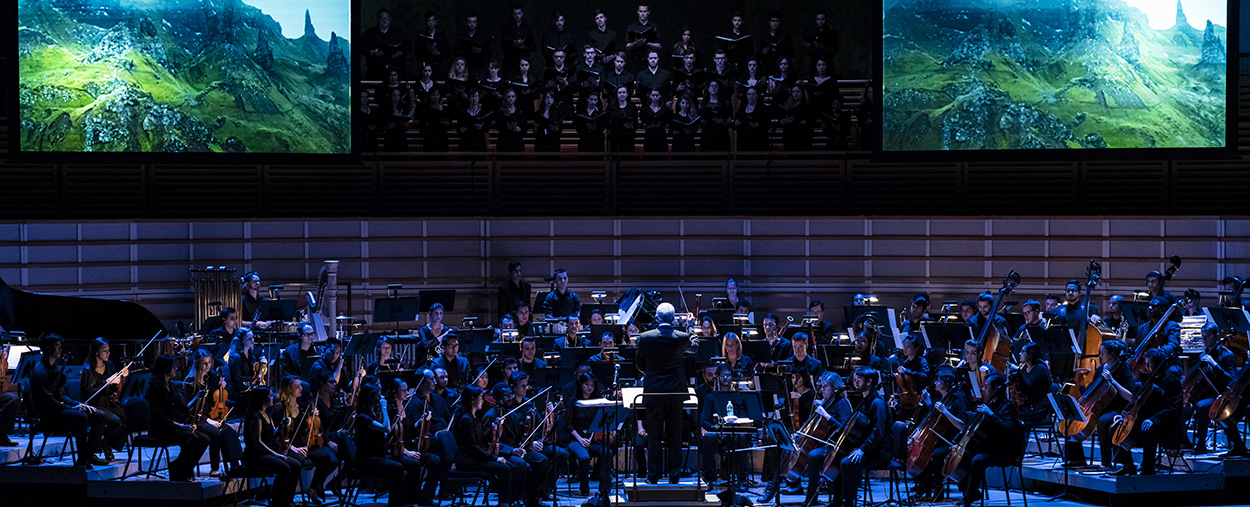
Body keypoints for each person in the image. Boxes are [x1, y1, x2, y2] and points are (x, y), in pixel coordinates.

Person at [941, 374, 1021, 506]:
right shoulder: (989, 404)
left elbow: (1008, 429)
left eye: (987, 386)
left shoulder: (1007, 407)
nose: (984, 389)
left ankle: (969, 497)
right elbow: (971, 428)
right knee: (963, 457)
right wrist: (957, 442)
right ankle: (971, 492)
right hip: (989, 446)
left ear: (995, 388)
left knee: (977, 460)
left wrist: (991, 414)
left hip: (1002, 450)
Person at [33, 334, 112, 467]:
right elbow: (49, 401)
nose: (60, 349)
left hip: (60, 408)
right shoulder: (41, 372)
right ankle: (82, 460)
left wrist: (77, 403)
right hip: (51, 414)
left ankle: (90, 454)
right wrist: (72, 408)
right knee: (80, 417)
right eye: (57, 346)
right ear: (48, 348)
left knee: (99, 415)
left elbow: (61, 396)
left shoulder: (53, 368)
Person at [636, 302, 690, 483]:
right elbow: (695, 347)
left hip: (653, 393)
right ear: (674, 319)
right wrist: (691, 332)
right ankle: (674, 476)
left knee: (654, 437)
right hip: (675, 394)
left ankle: (653, 476)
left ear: (656, 318)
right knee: (675, 437)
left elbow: (639, 363)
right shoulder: (681, 337)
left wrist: (651, 374)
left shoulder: (645, 337)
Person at [1106, 348, 1181, 476]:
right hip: (1145, 419)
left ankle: (1148, 466)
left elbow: (1172, 407)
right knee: (1115, 428)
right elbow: (1137, 401)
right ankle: (1128, 465)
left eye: (1149, 364)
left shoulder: (1172, 381)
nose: (1146, 367)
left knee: (1148, 429)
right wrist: (1125, 414)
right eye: (1145, 363)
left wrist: (1154, 419)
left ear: (1158, 364)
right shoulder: (1147, 380)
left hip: (1165, 423)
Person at [1065, 340, 1135, 468]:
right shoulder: (1101, 369)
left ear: (1112, 355)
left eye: (1102, 353)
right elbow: (1093, 389)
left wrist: (1112, 381)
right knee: (1074, 415)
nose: (1100, 356)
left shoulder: (1124, 370)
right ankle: (1077, 460)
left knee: (1103, 421)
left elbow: (1130, 397)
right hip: (1099, 406)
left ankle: (1106, 462)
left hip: (1118, 409)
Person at [271, 376, 339, 505]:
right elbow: (276, 435)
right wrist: (293, 448)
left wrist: (313, 420)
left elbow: (305, 431)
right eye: (297, 386)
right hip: (286, 447)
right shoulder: (280, 408)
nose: (301, 389)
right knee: (299, 462)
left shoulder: (302, 407)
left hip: (302, 446)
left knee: (326, 456)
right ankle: (286, 500)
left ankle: (313, 488)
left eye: (300, 386)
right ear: (288, 389)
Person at [453, 385, 524, 507]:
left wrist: (494, 428)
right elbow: (473, 448)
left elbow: (481, 438)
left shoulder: (473, 417)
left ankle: (509, 501)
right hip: (467, 460)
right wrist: (495, 458)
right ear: (473, 400)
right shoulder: (466, 420)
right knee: (505, 468)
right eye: (480, 398)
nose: (483, 401)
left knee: (510, 466)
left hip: (473, 457)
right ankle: (504, 503)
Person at [832, 367, 892, 507]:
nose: (855, 383)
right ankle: (837, 500)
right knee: (837, 457)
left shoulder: (878, 404)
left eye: (858, 380)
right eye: (854, 380)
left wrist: (862, 449)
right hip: (870, 449)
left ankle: (849, 503)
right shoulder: (866, 400)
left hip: (880, 452)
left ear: (869, 381)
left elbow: (878, 433)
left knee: (847, 463)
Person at [147, 354, 212, 480]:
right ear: (166, 369)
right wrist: (181, 426)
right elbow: (158, 417)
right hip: (160, 427)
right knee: (191, 438)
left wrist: (198, 398)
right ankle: (178, 469)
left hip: (172, 426)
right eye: (173, 367)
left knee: (204, 439)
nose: (176, 369)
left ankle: (182, 468)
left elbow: (183, 407)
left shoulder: (170, 385)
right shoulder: (155, 388)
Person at [914, 371, 970, 500]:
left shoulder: (957, 400)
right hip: (937, 439)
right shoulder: (939, 400)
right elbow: (932, 420)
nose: (935, 383)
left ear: (946, 383)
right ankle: (924, 485)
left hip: (951, 441)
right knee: (917, 452)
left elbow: (962, 425)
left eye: (938, 380)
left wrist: (945, 412)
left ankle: (938, 489)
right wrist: (928, 403)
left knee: (937, 454)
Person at [1189, 323, 1237, 454]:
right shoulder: (1202, 355)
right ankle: (1183, 442)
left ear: (1217, 336)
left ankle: (1200, 444)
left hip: (1221, 395)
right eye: (1202, 336)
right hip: (1204, 393)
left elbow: (1232, 380)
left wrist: (1214, 364)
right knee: (1180, 404)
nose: (1204, 340)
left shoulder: (1227, 355)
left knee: (1202, 406)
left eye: (1207, 337)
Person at [79, 337, 128, 460]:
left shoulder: (109, 365)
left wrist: (123, 378)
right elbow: (89, 395)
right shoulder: (88, 370)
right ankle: (104, 445)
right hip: (95, 405)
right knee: (115, 421)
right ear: (96, 352)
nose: (108, 353)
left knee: (130, 416)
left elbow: (115, 387)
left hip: (109, 403)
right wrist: (106, 382)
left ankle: (108, 444)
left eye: (108, 350)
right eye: (104, 350)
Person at [564, 371, 611, 496]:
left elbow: (599, 422)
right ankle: (584, 489)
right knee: (584, 458)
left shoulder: (596, 402)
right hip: (575, 440)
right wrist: (580, 439)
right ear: (580, 385)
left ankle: (604, 489)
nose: (590, 388)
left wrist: (593, 436)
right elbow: (568, 425)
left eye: (592, 385)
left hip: (591, 439)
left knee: (607, 452)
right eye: (587, 384)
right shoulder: (572, 402)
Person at [183, 349, 226, 476]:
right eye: (204, 363)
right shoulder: (190, 381)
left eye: (209, 362)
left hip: (209, 416)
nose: (208, 366)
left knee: (226, 432)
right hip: (196, 420)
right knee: (216, 434)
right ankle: (215, 469)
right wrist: (209, 420)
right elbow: (188, 409)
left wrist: (221, 389)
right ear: (197, 364)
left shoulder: (211, 378)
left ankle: (232, 466)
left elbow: (216, 401)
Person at [1011, 343, 1054, 428]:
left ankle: (1019, 438)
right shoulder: (1025, 368)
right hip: (1027, 404)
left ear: (1030, 354)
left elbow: (1027, 388)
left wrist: (1018, 372)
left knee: (1010, 414)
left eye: (1023, 352)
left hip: (1038, 408)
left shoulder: (1040, 369)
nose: (1020, 354)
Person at [361, 9, 407, 80]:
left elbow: (407, 48)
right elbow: (361, 47)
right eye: (382, 18)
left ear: (390, 19)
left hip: (395, 70)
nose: (384, 21)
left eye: (386, 18)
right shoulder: (369, 33)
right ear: (378, 19)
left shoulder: (397, 33)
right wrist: (372, 52)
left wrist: (400, 53)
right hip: (375, 70)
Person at [625, 3, 663, 72]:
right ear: (637, 12)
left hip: (650, 61)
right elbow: (627, 46)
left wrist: (647, 43)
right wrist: (636, 43)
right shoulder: (631, 27)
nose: (642, 14)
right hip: (635, 61)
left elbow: (660, 46)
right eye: (641, 11)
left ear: (648, 12)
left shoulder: (654, 27)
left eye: (645, 11)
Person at [501, 4, 536, 73]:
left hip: (524, 62)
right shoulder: (507, 28)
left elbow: (534, 46)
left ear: (522, 14)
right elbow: (503, 45)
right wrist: (513, 45)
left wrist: (524, 46)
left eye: (519, 13)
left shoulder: (528, 28)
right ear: (512, 14)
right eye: (515, 14)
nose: (517, 16)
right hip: (510, 61)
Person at [778, 82, 813, 150]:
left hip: (802, 136)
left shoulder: (807, 106)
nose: (795, 94)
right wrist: (785, 120)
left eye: (798, 92)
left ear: (802, 93)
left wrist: (795, 120)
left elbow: (809, 121)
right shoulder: (787, 106)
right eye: (793, 92)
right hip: (789, 136)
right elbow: (780, 121)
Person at [226, 327, 258, 399]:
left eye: (252, 338)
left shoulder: (252, 357)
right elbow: (237, 381)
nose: (252, 341)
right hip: (239, 392)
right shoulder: (235, 357)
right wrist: (252, 387)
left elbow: (254, 375)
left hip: (248, 388)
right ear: (241, 341)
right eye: (249, 338)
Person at [699, 80, 731, 152]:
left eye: (715, 86)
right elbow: (699, 118)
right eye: (711, 86)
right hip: (707, 133)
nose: (713, 88)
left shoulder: (725, 104)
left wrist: (723, 122)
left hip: (721, 132)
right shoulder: (703, 104)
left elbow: (729, 118)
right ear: (708, 89)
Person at [733, 86, 769, 152]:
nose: (751, 96)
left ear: (757, 95)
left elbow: (767, 123)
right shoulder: (741, 109)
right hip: (744, 140)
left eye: (753, 94)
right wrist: (736, 122)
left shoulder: (763, 108)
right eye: (749, 94)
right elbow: (735, 124)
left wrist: (759, 124)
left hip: (758, 141)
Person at [759, 11, 793, 76]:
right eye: (773, 21)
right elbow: (758, 53)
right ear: (769, 22)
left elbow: (791, 52)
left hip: (782, 67)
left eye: (777, 21)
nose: (774, 23)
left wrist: (779, 50)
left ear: (780, 22)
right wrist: (763, 52)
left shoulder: (785, 36)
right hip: (767, 66)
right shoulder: (764, 36)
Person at [457, 88, 492, 152]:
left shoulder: (483, 114)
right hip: (466, 143)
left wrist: (481, 127)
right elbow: (459, 130)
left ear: (479, 98)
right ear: (468, 98)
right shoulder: (462, 113)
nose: (474, 99)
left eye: (476, 96)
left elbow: (486, 128)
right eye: (472, 96)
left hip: (479, 142)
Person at [607, 85, 638, 153]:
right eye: (620, 93)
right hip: (615, 136)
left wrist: (631, 126)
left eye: (624, 92)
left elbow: (635, 123)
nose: (622, 95)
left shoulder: (632, 107)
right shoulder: (611, 107)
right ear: (617, 94)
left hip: (628, 136)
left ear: (627, 94)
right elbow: (607, 122)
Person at [496, 88, 529, 152]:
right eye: (508, 97)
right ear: (505, 98)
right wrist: (507, 127)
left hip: (517, 142)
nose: (511, 99)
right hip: (504, 142)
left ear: (515, 98)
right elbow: (499, 126)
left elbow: (525, 128)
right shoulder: (501, 112)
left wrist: (519, 129)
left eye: (512, 97)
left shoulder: (520, 112)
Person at [640, 88, 671, 153]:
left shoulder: (665, 110)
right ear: (650, 96)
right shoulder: (645, 110)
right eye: (653, 95)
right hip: (649, 136)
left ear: (660, 96)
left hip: (661, 136)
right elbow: (643, 123)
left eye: (657, 95)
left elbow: (667, 123)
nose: (655, 97)